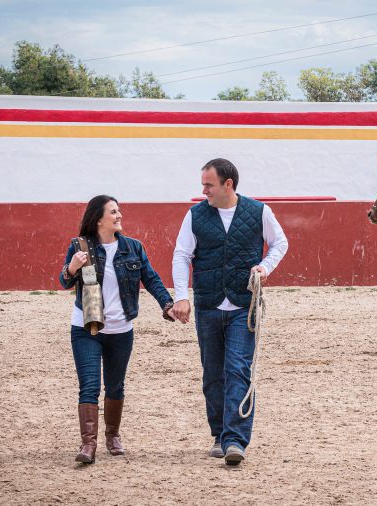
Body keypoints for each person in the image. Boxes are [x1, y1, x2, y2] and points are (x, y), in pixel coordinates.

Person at [171, 158, 288, 466]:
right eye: (202, 184)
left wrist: (264, 267)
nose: (203, 190)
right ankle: (219, 433)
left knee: (237, 369)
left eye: (208, 184)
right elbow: (182, 255)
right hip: (208, 304)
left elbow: (280, 243)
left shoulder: (259, 211)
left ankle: (234, 439)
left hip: (243, 305)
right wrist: (181, 296)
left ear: (228, 184)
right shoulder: (195, 215)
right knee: (212, 374)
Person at [59, 195, 175, 464]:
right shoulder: (80, 246)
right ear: (99, 219)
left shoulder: (133, 248)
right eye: (113, 212)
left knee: (115, 386)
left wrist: (167, 305)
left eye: (119, 210)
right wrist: (72, 267)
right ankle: (88, 444)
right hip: (86, 328)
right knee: (89, 386)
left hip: (122, 330)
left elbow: (151, 279)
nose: (119, 215)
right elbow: (64, 281)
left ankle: (112, 436)